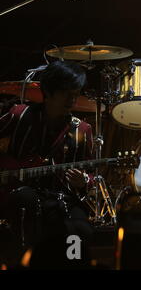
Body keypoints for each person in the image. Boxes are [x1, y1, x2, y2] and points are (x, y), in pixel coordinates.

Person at [0, 61, 94, 267]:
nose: (72, 99)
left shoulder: (82, 130)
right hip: (19, 191)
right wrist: (9, 167)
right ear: (49, 91)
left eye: (75, 93)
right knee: (27, 201)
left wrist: (83, 180)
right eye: (65, 93)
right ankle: (24, 262)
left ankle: (73, 265)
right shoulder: (19, 114)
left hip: (61, 198)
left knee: (80, 228)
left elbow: (91, 175)